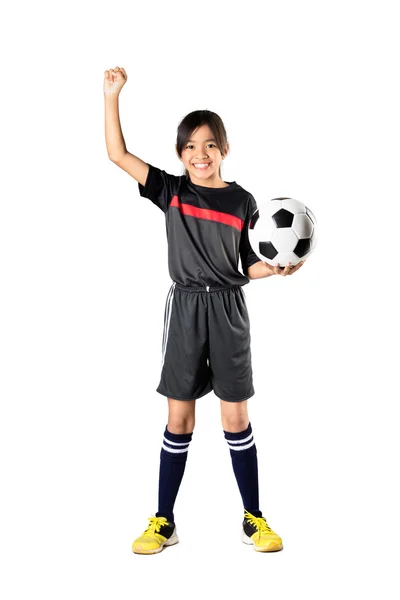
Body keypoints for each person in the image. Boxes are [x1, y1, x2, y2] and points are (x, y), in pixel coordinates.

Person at [104, 66, 305, 555]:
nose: (200, 154)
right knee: (180, 420)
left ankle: (254, 518)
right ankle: (164, 520)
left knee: (235, 419)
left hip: (230, 311)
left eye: (210, 144)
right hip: (187, 310)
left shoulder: (243, 201)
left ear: (225, 150)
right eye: (190, 146)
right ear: (180, 154)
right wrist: (111, 95)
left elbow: (248, 264)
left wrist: (277, 268)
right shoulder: (173, 192)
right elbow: (117, 154)